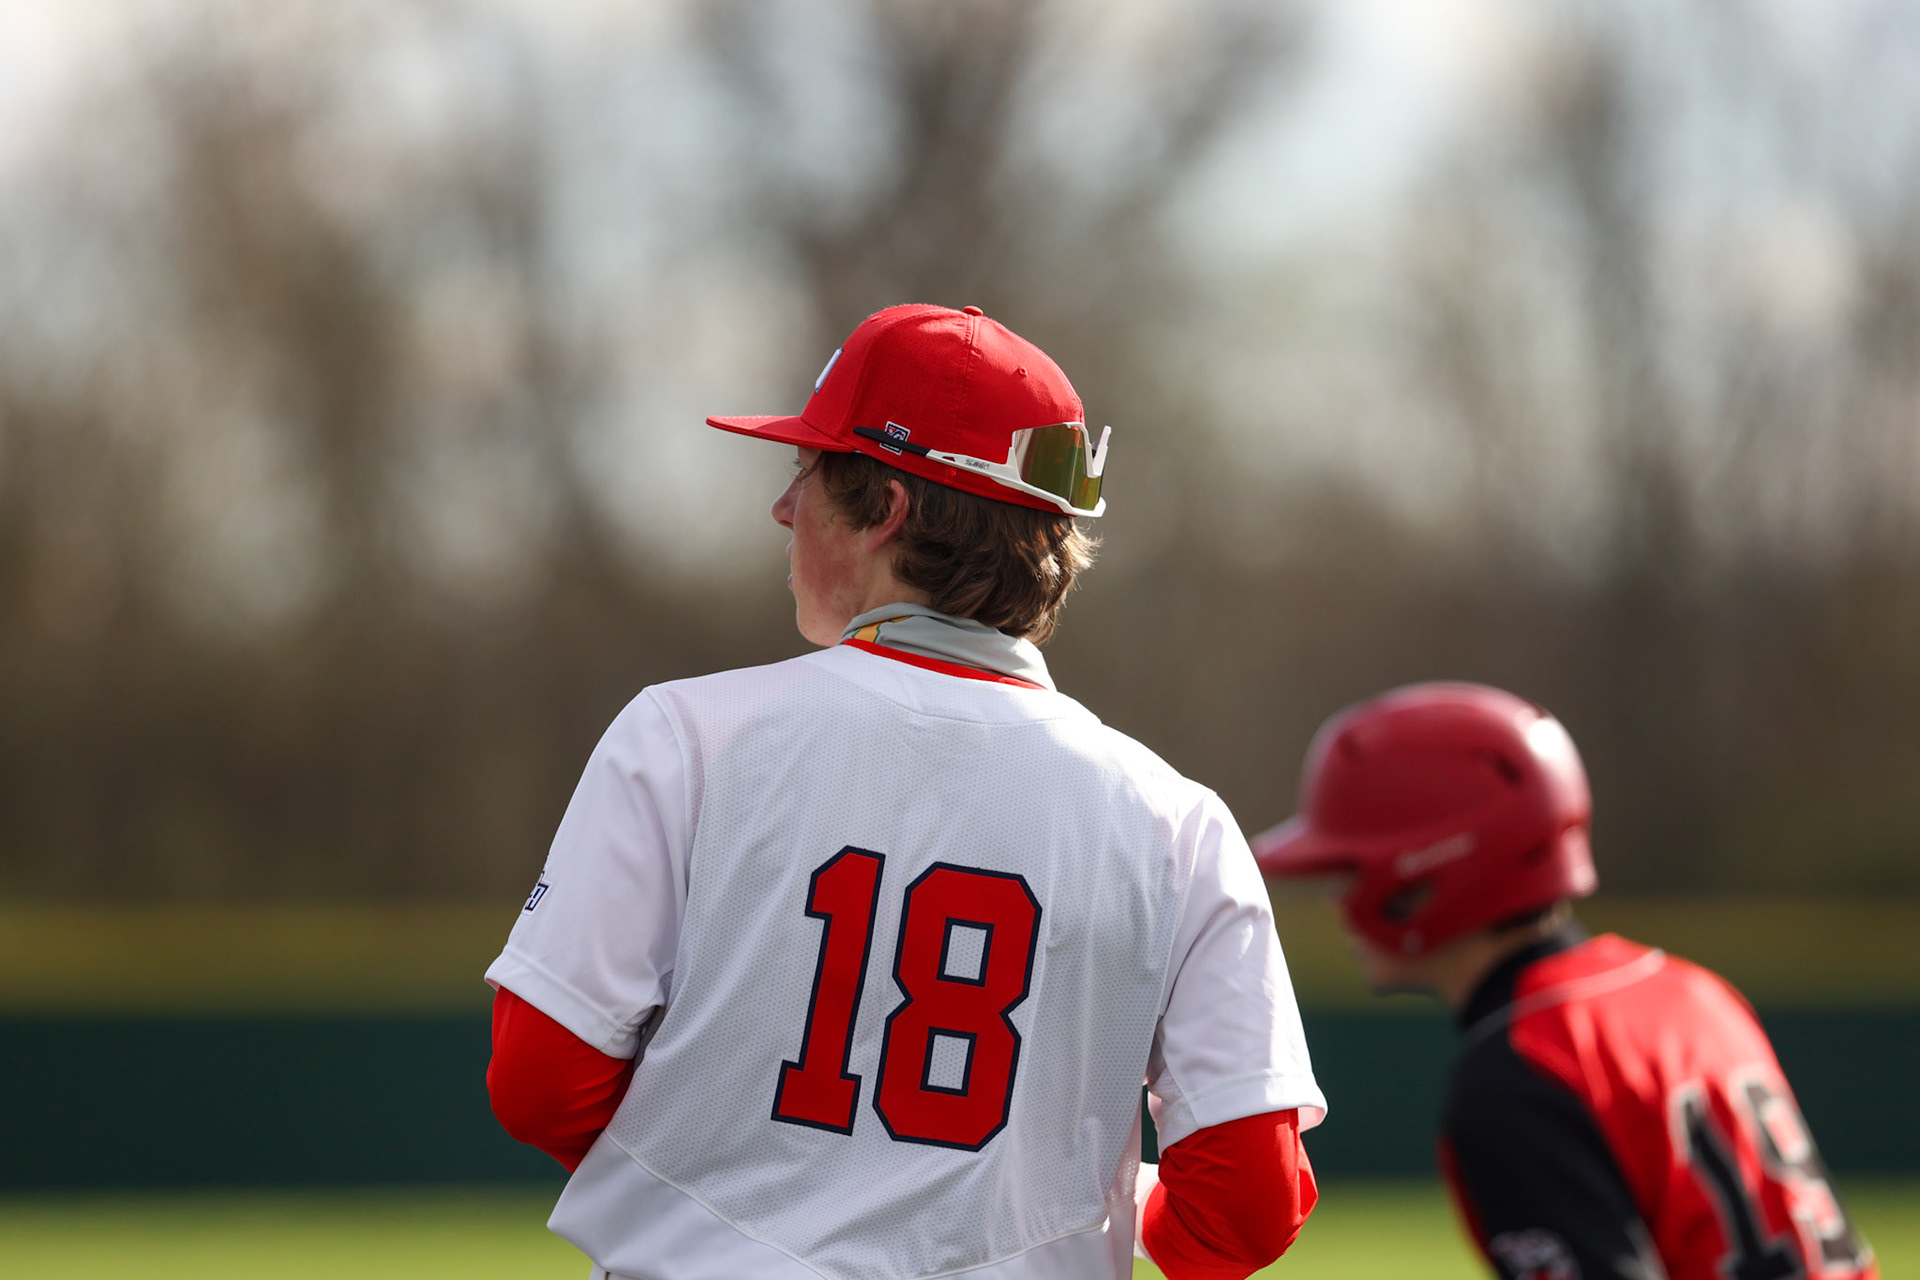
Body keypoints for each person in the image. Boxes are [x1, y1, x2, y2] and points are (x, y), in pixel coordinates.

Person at [483, 302, 1326, 1280]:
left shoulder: (684, 736)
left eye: (809, 472)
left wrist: (729, 1191)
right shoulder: (1179, 823)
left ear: (885, 505)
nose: (784, 506)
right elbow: (1246, 1207)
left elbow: (541, 1081)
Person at [1252, 681, 1877, 1280]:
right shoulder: (1691, 991)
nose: (1338, 903)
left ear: (1428, 871)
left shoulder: (1518, 1070)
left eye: (1351, 872)